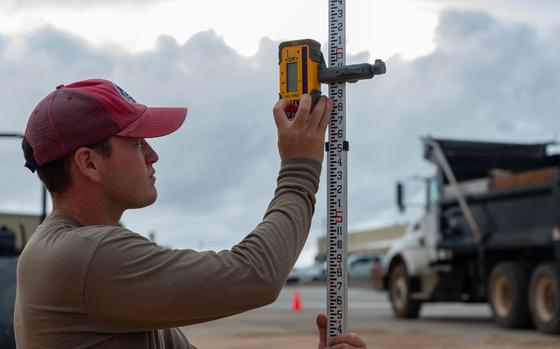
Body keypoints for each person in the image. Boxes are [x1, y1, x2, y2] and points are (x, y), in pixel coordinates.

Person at [15, 78, 366, 349]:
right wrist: (299, 167)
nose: (153, 155)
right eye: (137, 143)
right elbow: (256, 275)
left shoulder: (76, 251)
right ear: (89, 163)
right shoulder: (84, 256)